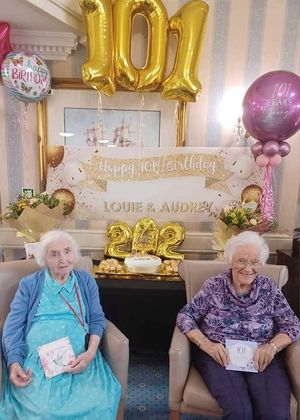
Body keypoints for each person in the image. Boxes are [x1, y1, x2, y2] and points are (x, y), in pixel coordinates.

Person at [177, 231, 300, 420]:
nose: (248, 268)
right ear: (231, 261)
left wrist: (272, 347)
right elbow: (186, 316)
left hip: (261, 354)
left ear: (261, 263)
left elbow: (292, 325)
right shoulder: (214, 286)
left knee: (275, 414)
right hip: (219, 355)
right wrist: (207, 345)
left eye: (255, 262)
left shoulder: (269, 288)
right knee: (239, 412)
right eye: (241, 261)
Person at [0, 230, 121, 419]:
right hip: (36, 361)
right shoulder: (30, 284)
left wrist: (90, 353)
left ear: (75, 254)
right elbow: (13, 326)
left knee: (98, 401)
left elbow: (97, 318)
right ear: (44, 259)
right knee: (42, 410)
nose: (62, 259)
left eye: (67, 251)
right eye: (54, 254)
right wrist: (14, 362)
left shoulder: (86, 281)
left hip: (80, 357)